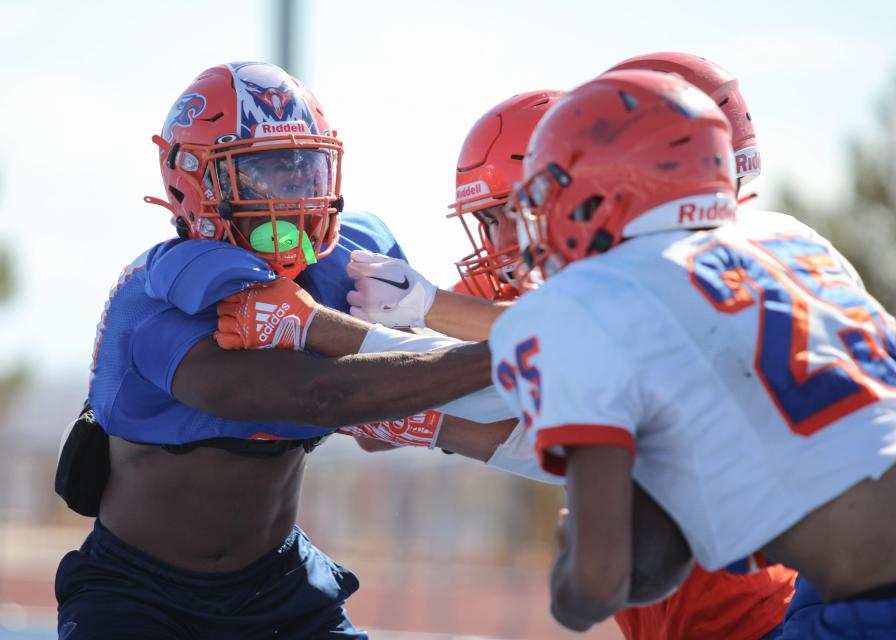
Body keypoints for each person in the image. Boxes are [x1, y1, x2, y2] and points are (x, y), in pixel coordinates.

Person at [345, 63, 796, 640]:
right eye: (488, 220)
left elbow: (557, 354)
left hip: (753, 608)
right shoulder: (528, 289)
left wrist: (387, 339)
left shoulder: (683, 276)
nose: (501, 242)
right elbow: (373, 429)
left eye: (517, 210)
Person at [54, 61, 502, 640]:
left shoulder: (350, 262)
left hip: (280, 588)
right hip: (139, 592)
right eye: (265, 172)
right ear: (192, 181)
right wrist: (503, 353)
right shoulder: (158, 298)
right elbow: (318, 397)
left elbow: (376, 430)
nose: (294, 195)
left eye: (304, 168)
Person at [490, 68, 896, 636]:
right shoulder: (790, 238)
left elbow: (596, 585)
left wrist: (570, 569)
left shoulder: (586, 302)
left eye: (547, 197)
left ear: (601, 193)